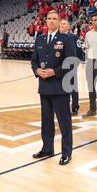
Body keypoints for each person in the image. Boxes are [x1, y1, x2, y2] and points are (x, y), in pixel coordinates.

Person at [31, 10, 77, 165]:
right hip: (44, 87)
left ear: (59, 21)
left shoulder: (66, 39)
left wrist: (54, 72)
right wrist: (37, 70)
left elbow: (72, 63)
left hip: (60, 87)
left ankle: (66, 153)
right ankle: (47, 148)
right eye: (49, 19)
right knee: (46, 121)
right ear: (45, 21)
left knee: (64, 122)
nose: (51, 21)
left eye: (55, 19)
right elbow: (34, 61)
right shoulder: (40, 39)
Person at [59, 19, 83, 115]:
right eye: (60, 24)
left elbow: (79, 51)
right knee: (61, 88)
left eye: (64, 24)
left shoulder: (74, 37)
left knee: (73, 88)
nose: (61, 25)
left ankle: (75, 107)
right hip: (60, 67)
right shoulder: (57, 37)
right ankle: (63, 107)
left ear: (68, 26)